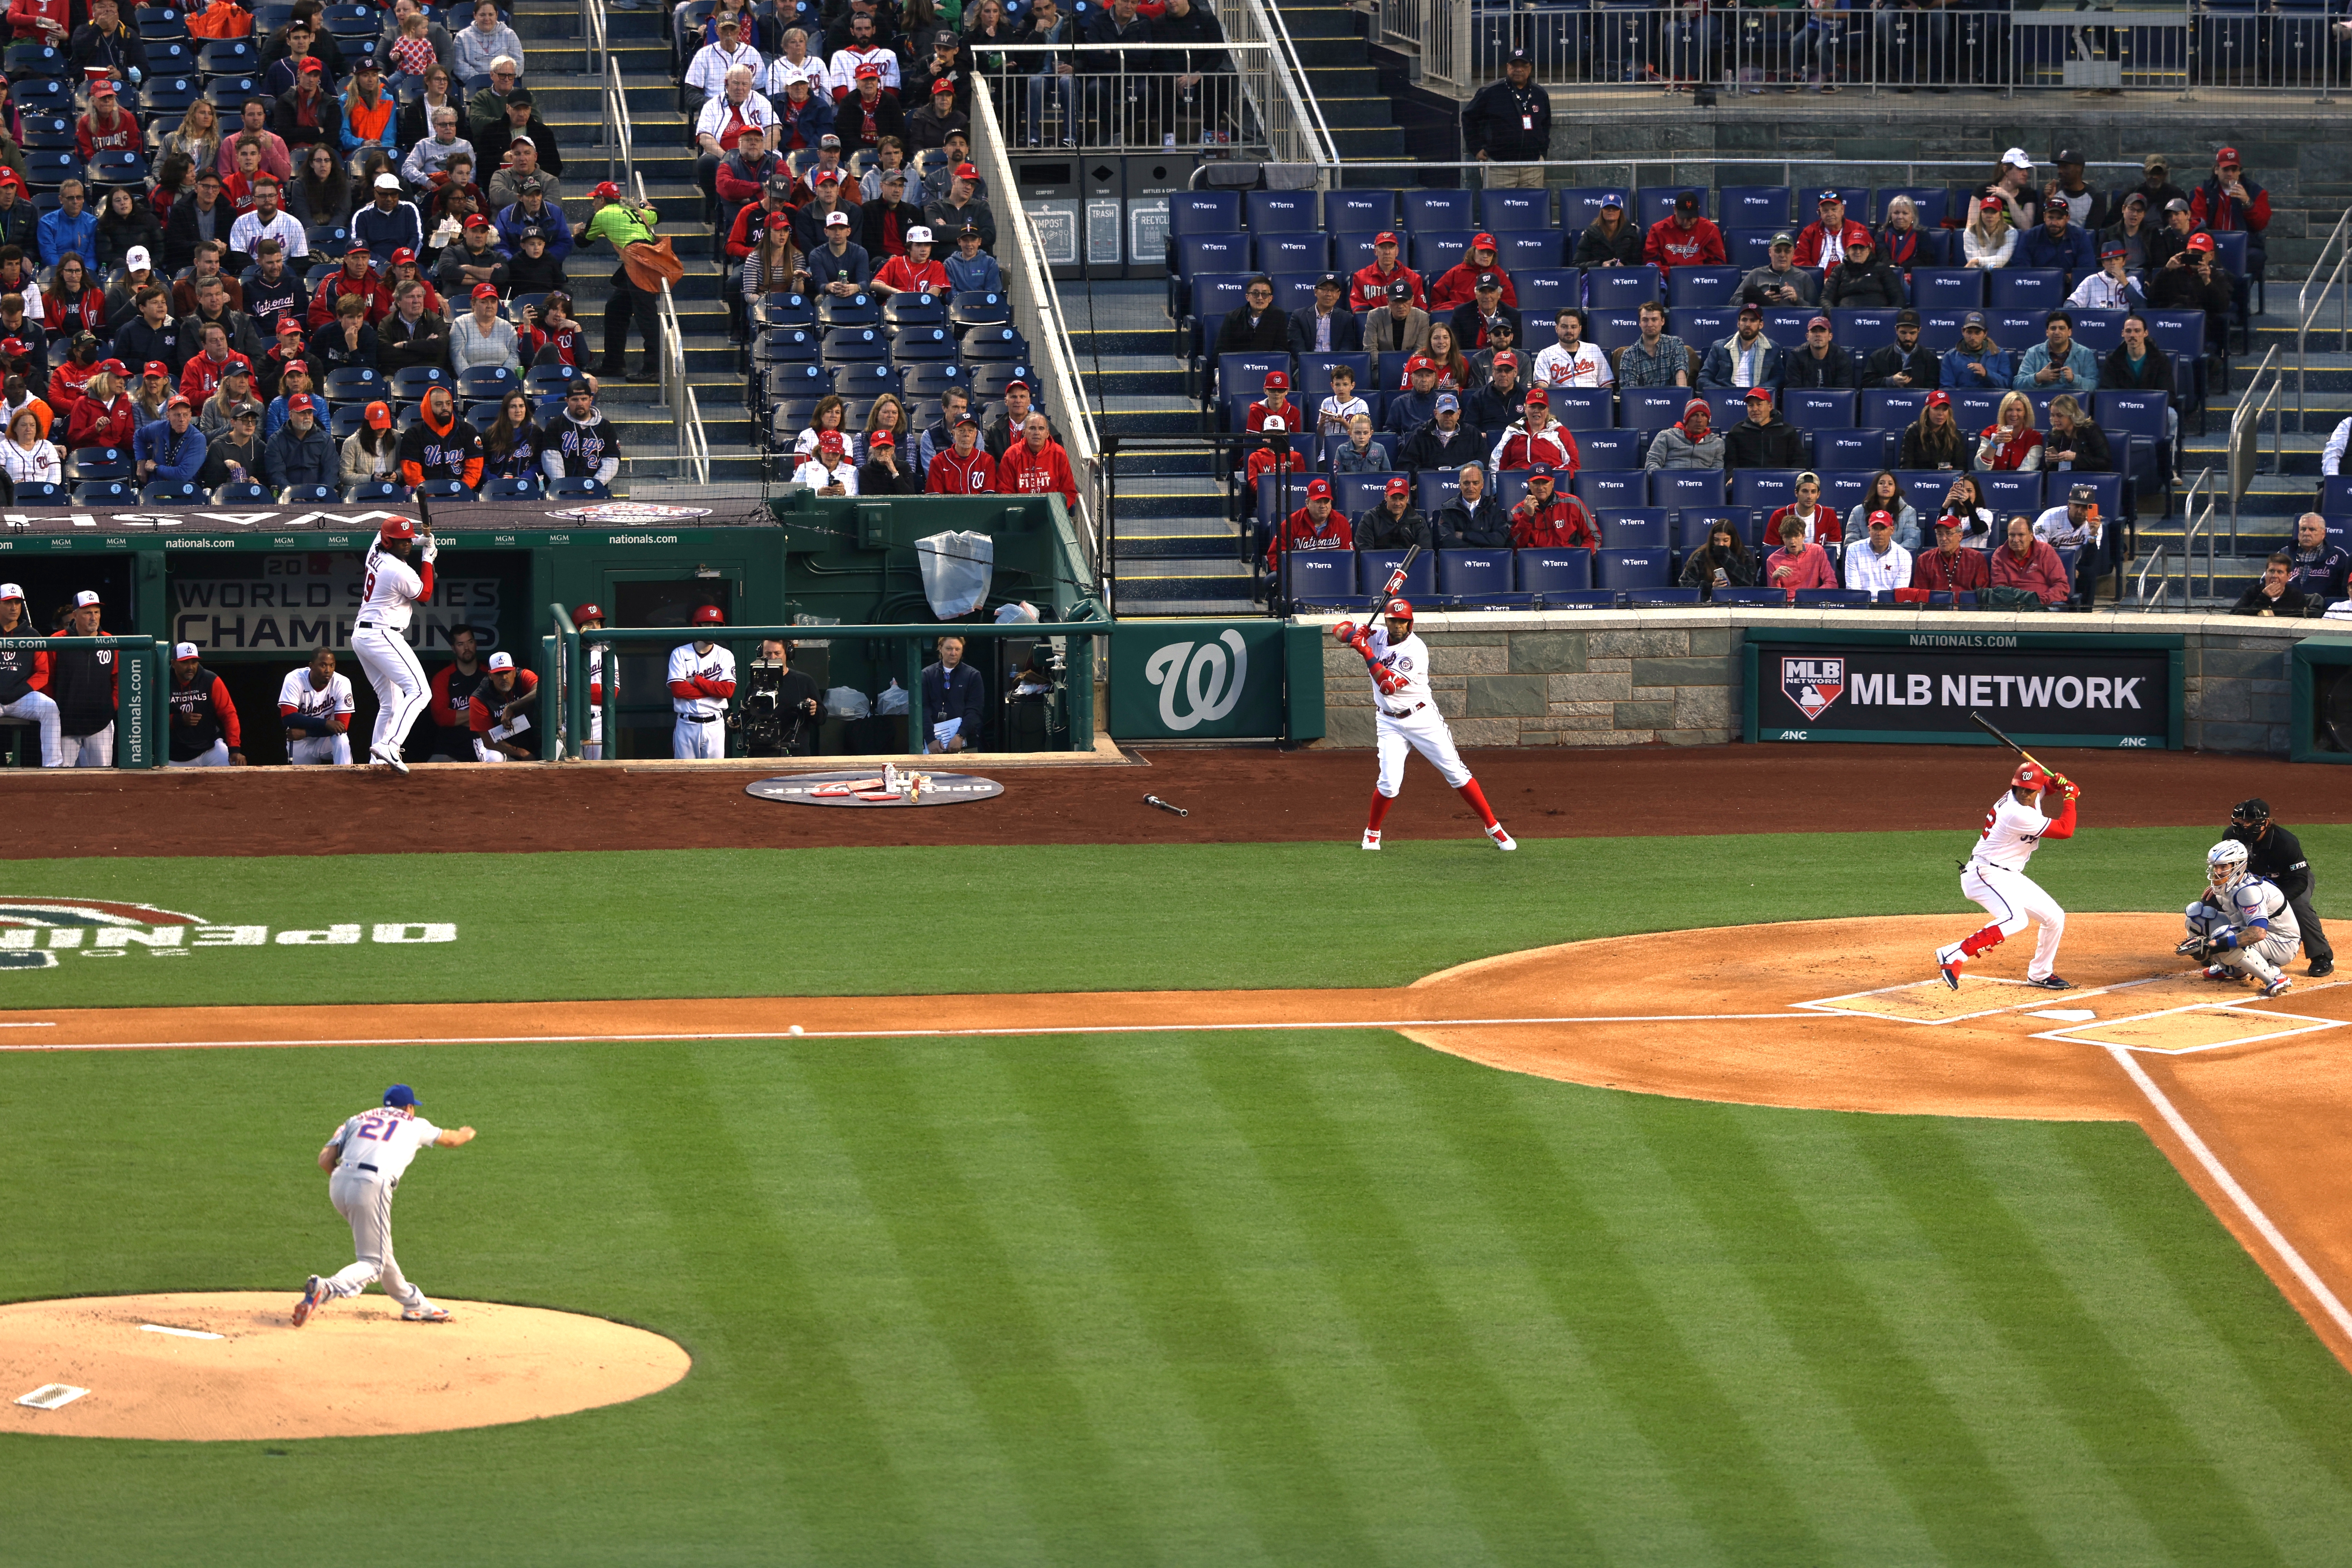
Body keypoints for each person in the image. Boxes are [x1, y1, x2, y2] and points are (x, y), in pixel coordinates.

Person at [291, 1084, 476, 1328]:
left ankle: (415, 1305)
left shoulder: (357, 1119)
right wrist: (468, 1132)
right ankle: (326, 1288)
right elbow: (453, 1140)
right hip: (372, 1186)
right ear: (409, 1107)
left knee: (381, 1251)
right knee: (374, 1262)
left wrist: (349, 1184)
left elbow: (325, 1159)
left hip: (339, 1183)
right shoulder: (415, 1124)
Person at [1340, 597, 1514, 851]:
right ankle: (1372, 832)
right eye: (1393, 621)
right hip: (1389, 722)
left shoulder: (1416, 649)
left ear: (1410, 623)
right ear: (1386, 621)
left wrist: (1365, 651)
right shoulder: (1376, 635)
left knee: (1456, 772)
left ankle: (1493, 827)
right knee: (1389, 783)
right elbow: (1339, 628)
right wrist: (1353, 634)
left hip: (1422, 718)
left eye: (1402, 621)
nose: (1398, 626)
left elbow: (1388, 686)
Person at [1937, 760, 2079, 990]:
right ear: (2014, 786)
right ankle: (1954, 954)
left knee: (2054, 917)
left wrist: (2055, 784)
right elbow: (2065, 830)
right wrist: (2070, 796)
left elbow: (2046, 788)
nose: (2024, 794)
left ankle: (2040, 974)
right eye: (2020, 789)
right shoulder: (2015, 812)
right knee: (2017, 919)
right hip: (1985, 873)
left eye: (2031, 790)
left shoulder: (2032, 794)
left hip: (2008, 875)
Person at [2224, 797, 2333, 976]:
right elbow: (2231, 868)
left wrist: (2277, 901)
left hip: (2290, 882)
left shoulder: (2285, 842)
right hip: (2254, 883)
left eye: (2250, 821)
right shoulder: (2231, 836)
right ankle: (2215, 949)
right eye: (2241, 821)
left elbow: (2300, 880)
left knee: (2299, 907)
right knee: (2217, 901)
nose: (2245, 826)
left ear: (2266, 823)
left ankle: (2322, 956)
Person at [1460, 46, 1548, 188]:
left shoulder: (1540, 94)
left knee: (1532, 209)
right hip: (1499, 166)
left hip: (1532, 167)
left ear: (1530, 68)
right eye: (1514, 66)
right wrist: (1476, 148)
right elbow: (1468, 117)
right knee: (1498, 209)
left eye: (1523, 66)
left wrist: (1542, 153)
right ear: (1508, 67)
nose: (1518, 70)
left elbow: (1546, 125)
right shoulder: (1490, 92)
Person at [2189, 146, 2268, 283]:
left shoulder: (2255, 191)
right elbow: (2197, 222)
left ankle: (2236, 293)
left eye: (2234, 169)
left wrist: (2248, 202)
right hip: (2210, 245)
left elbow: (2261, 224)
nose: (2230, 173)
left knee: (2258, 257)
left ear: (2239, 172)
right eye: (2226, 169)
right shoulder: (2203, 191)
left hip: (2243, 246)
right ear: (2217, 170)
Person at [0, 581, 59, 764]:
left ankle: (53, 766)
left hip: (21, 698)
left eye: (17, 603)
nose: (14, 608)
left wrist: (20, 691)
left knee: (50, 708)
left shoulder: (32, 634)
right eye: (8, 603)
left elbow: (43, 673)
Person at [165, 641, 243, 765]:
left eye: (194, 662)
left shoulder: (210, 680)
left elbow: (229, 714)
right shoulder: (161, 682)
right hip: (173, 755)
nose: (191, 667)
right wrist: (178, 720)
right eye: (185, 662)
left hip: (209, 749)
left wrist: (235, 748)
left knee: (231, 763)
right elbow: (148, 720)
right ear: (174, 664)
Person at [276, 646, 354, 765]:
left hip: (325, 739)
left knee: (341, 739)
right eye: (323, 665)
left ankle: (345, 777)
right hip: (300, 741)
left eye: (332, 665)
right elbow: (288, 717)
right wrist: (326, 724)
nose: (328, 670)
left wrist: (307, 733)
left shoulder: (342, 683)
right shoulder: (295, 679)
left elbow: (342, 726)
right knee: (303, 781)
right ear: (311, 666)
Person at [462, 649, 536, 761]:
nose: (504, 677)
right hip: (493, 740)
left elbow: (541, 690)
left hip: (521, 733)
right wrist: (522, 753)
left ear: (514, 672)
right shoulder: (479, 698)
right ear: (490, 675)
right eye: (498, 673)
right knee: (495, 759)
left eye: (507, 672)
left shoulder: (524, 676)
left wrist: (512, 707)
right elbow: (489, 742)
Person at [1265, 476, 1351, 572]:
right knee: (1271, 580)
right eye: (1318, 502)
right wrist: (1287, 575)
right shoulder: (1292, 523)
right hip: (1299, 573)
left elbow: (1348, 557)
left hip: (1333, 573)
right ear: (1307, 503)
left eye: (1326, 502)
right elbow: (1276, 555)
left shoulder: (1341, 522)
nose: (1323, 506)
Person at [998, 411, 1078, 512]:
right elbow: (1004, 490)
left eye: (1041, 429)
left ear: (1047, 433)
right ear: (1024, 432)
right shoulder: (1011, 454)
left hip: (1052, 513)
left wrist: (1057, 511)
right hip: (1020, 513)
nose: (1037, 433)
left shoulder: (1059, 453)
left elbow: (1069, 491)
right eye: (1032, 428)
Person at [919, 632, 984, 754]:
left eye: (958, 649)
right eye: (949, 649)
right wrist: (930, 739)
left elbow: (975, 710)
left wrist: (960, 736)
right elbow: (922, 709)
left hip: (964, 742)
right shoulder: (927, 674)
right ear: (940, 648)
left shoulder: (973, 675)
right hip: (933, 744)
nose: (953, 653)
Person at [1505, 464, 1595, 548]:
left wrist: (1582, 557)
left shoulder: (1573, 503)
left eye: (1545, 483)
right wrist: (1527, 517)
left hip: (1569, 559)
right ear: (1529, 484)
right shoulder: (1518, 511)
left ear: (1553, 482)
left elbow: (1594, 536)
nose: (1541, 488)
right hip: (1536, 561)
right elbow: (1514, 547)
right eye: (1536, 483)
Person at [1490, 386, 1575, 472]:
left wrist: (1551, 475)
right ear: (1525, 408)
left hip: (1550, 482)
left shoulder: (1560, 432)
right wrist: (1497, 484)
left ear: (1548, 409)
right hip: (1518, 480)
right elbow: (1497, 463)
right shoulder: (1513, 431)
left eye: (1541, 407)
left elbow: (1573, 464)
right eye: (1533, 407)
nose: (1537, 411)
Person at [1699, 305, 1784, 390]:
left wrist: (1760, 390)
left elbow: (1779, 379)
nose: (1748, 324)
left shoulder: (1772, 348)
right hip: (1728, 397)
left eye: (1753, 320)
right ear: (1739, 323)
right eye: (1744, 320)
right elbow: (1703, 379)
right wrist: (1722, 392)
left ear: (1761, 325)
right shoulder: (1720, 347)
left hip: (1757, 400)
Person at [1992, 514, 2070, 607]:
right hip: (2012, 606)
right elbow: (2000, 589)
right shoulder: (2000, 555)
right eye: (2012, 535)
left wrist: (2040, 602)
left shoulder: (2046, 551)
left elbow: (2061, 585)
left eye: (2021, 535)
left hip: (2045, 604)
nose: (2016, 540)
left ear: (2031, 536)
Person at [1397, 392, 1479, 478]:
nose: (1448, 416)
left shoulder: (1472, 433)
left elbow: (1482, 463)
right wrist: (1433, 474)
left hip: (1464, 484)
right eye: (1444, 413)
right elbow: (1406, 466)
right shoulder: (1421, 434)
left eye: (1452, 413)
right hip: (1430, 484)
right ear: (1436, 414)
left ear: (1459, 414)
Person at [2016, 310, 2099, 394]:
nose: (2057, 332)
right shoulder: (2033, 353)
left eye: (2062, 329)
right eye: (2053, 329)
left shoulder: (2085, 354)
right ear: (2047, 332)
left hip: (2073, 404)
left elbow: (2094, 386)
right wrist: (2038, 378)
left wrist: (2074, 379)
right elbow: (2017, 385)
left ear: (2070, 332)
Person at [1427, 235, 1515, 314]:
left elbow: (1511, 302)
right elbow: (1437, 299)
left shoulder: (1498, 273)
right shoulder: (1457, 271)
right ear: (1473, 252)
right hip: (1459, 316)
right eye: (1482, 251)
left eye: (1490, 253)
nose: (1486, 256)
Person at [2016, 196, 2096, 283]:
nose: (2054, 223)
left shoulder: (2080, 236)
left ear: (2067, 219)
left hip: (2071, 288)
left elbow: (2087, 271)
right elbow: (2021, 270)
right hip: (2037, 286)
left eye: (2059, 218)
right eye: (2051, 218)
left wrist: (2063, 279)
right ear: (2044, 217)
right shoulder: (2030, 236)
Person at [1643, 189, 1725, 272]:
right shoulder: (1658, 230)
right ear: (1675, 210)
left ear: (1698, 210)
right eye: (1682, 217)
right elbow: (1651, 262)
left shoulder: (1710, 230)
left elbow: (1718, 263)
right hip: (1667, 279)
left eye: (1690, 218)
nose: (1686, 223)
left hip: (1700, 279)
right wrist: (1672, 274)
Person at [1724, 387, 1803, 470]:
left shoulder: (1787, 430)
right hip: (1748, 480)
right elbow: (1730, 463)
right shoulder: (1737, 431)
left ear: (1770, 407)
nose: (1755, 409)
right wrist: (1732, 476)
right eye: (1751, 405)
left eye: (1759, 404)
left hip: (1780, 480)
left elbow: (1799, 461)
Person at [1732, 232, 1818, 308]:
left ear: (1793, 253)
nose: (1782, 255)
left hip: (1794, 321)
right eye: (1778, 251)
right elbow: (1733, 302)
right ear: (1770, 252)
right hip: (1763, 321)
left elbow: (1816, 309)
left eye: (1787, 251)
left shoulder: (1804, 277)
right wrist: (1760, 301)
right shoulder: (1756, 274)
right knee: (1751, 291)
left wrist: (1797, 300)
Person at [1912, 512, 1991, 594]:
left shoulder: (1976, 558)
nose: (1943, 538)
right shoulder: (1924, 560)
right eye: (1939, 534)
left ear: (1960, 536)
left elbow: (1982, 595)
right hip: (1935, 606)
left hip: (1967, 606)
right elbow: (1920, 595)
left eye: (1949, 533)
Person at [1434, 463, 1509, 548]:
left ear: (1482, 485)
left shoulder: (1493, 508)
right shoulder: (1448, 508)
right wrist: (1479, 546)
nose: (1471, 488)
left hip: (1488, 559)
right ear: (1460, 485)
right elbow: (1447, 541)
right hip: (1459, 558)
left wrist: (1465, 535)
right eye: (1466, 483)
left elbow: (1500, 541)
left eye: (1476, 483)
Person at [1678, 517, 1754, 601]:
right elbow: (1684, 583)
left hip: (1737, 601)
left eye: (1726, 540)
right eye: (1716, 540)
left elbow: (1750, 584)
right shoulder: (1700, 556)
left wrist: (1727, 557)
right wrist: (1711, 587)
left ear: (1733, 540)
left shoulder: (1744, 556)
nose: (1720, 545)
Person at [1616, 301, 1688, 389]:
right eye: (1645, 320)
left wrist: (1682, 393)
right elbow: (1631, 391)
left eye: (1654, 320)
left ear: (1662, 321)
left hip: (1673, 400)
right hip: (1642, 401)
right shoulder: (1629, 355)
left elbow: (1680, 371)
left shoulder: (1675, 344)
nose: (1650, 325)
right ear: (1640, 323)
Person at [2283, 512, 2350, 606]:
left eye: (2312, 530)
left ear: (2323, 533)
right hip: (2286, 609)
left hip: (2324, 612)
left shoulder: (2340, 557)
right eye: (2303, 529)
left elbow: (2347, 590)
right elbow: (2266, 581)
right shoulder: (2284, 554)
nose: (2307, 533)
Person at [1532, 306, 1606, 388]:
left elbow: (1606, 383)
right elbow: (1541, 386)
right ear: (1557, 328)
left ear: (1580, 329)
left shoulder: (1594, 350)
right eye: (1564, 327)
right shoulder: (1546, 354)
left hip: (1592, 399)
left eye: (1574, 327)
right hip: (1559, 400)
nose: (1569, 331)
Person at [1899, 389, 1972, 473]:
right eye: (1936, 409)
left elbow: (1961, 467)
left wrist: (1951, 473)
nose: (1941, 414)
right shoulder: (1913, 432)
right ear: (1927, 411)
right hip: (1919, 481)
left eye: (1945, 409)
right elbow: (1906, 467)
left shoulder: (1955, 435)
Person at [1792, 190, 1868, 269]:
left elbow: (1869, 257)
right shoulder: (1809, 232)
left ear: (1842, 210)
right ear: (1820, 212)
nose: (1830, 214)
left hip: (1850, 279)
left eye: (1834, 210)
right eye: (1825, 211)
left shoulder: (1858, 229)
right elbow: (1800, 260)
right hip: (1818, 280)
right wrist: (1816, 277)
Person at [1823, 235, 1903, 310]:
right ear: (1848, 250)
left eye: (1862, 248)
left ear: (1869, 250)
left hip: (1878, 318)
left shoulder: (1882, 269)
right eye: (1854, 248)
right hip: (1846, 317)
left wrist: (1890, 317)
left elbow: (1898, 298)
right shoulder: (1839, 270)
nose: (1858, 252)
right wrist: (1834, 315)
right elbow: (1825, 298)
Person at [1844, 510, 1912, 595]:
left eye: (1883, 529)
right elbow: (1853, 588)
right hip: (1861, 604)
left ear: (1892, 530)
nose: (1879, 533)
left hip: (1888, 606)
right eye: (1875, 528)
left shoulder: (1904, 556)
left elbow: (1898, 593)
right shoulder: (1854, 550)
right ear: (1869, 530)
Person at [1761, 514, 1835, 592]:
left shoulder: (1817, 551)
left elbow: (1832, 583)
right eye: (1788, 537)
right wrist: (1775, 579)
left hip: (1812, 601)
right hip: (1788, 603)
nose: (1793, 542)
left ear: (1804, 536)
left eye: (1797, 536)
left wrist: (1812, 595)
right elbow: (1775, 597)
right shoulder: (1773, 560)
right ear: (1782, 538)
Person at [1354, 475, 1430, 551]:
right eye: (1394, 498)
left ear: (1408, 498)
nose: (1398, 503)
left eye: (1402, 499)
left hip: (1411, 563)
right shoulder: (1370, 519)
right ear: (1386, 497)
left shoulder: (1418, 521)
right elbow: (1365, 553)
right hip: (1379, 563)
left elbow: (1424, 554)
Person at [1644, 398, 1722, 470]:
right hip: (1671, 480)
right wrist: (1662, 480)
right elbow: (1652, 463)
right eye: (1695, 415)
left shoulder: (1716, 443)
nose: (1700, 420)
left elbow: (1717, 471)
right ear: (1687, 419)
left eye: (1704, 416)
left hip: (1702, 482)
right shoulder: (1666, 436)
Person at [1975, 390, 2043, 472]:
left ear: (2026, 413)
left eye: (2019, 410)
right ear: (2003, 412)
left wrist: (2008, 483)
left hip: (2020, 483)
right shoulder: (1990, 432)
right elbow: (1980, 468)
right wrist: (1993, 444)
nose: (2014, 414)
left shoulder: (2034, 438)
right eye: (2010, 410)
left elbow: (2027, 470)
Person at [1783, 315, 1855, 389]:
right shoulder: (1796, 356)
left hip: (1833, 400)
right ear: (1807, 336)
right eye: (1814, 331)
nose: (1818, 335)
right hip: (1805, 400)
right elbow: (1793, 389)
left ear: (1830, 336)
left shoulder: (1841, 356)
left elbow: (1843, 390)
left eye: (1823, 331)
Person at [1572, 191, 1641, 269]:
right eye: (1607, 207)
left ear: (1620, 211)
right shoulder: (1590, 234)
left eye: (1615, 208)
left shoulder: (1631, 234)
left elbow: (1639, 264)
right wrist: (1601, 264)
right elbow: (1577, 265)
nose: (1611, 210)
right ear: (1602, 211)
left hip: (1624, 278)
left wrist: (1624, 266)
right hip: (1598, 277)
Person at [2069, 242, 2145, 312]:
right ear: (2103, 264)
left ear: (2124, 262)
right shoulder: (2091, 280)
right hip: (2096, 323)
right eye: (2109, 260)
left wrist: (2125, 283)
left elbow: (2142, 307)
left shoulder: (2132, 280)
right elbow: (2070, 304)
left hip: (2123, 324)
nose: (2113, 263)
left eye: (2117, 259)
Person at [2231, 550, 2308, 618]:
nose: (2275, 576)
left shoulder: (2297, 597)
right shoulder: (2252, 592)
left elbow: (2306, 623)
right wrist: (2264, 597)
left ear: (2289, 576)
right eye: (2271, 571)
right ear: (2266, 573)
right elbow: (2235, 618)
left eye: (2280, 572)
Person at [1364, 279, 1429, 358]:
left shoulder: (1422, 318)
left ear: (1412, 301)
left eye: (1404, 301)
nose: (1401, 306)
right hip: (1382, 367)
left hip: (1411, 366)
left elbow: (1421, 351)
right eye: (1396, 301)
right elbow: (1370, 348)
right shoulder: (1374, 316)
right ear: (1388, 301)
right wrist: (1388, 365)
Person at [1963, 196, 2015, 270]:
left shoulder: (2011, 232)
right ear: (1981, 214)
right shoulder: (1970, 232)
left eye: (1994, 212)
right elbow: (1974, 265)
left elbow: (2002, 259)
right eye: (1985, 211)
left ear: (2000, 215)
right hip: (1977, 274)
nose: (1989, 216)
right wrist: (1991, 267)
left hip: (2000, 274)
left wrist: (1977, 261)